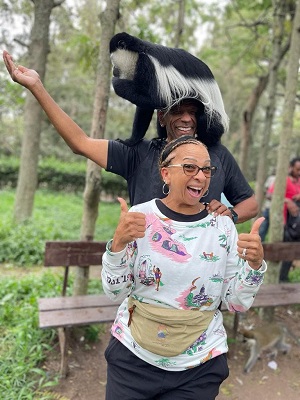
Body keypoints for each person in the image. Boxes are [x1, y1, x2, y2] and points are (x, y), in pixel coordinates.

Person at [2, 50, 258, 223]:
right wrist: (37, 87)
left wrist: (231, 215)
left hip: (198, 286)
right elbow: (79, 143)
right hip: (145, 282)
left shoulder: (218, 155)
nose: (186, 119)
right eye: (177, 111)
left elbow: (251, 203)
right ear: (161, 116)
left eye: (192, 112)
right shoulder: (139, 153)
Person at [101, 136, 266, 400]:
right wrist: (118, 244)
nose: (200, 176)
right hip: (133, 359)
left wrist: (255, 266)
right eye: (189, 167)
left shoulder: (222, 227)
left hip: (198, 368)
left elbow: (237, 304)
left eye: (206, 169)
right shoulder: (140, 216)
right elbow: (115, 292)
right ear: (165, 174)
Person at [268, 158, 300, 282]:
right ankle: (277, 278)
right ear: (291, 167)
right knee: (282, 249)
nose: (299, 172)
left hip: (296, 224)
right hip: (283, 221)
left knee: (291, 251)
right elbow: (270, 195)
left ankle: (284, 277)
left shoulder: (298, 182)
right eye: (297, 169)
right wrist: (287, 201)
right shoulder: (283, 180)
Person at [258, 172, 276, 241]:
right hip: (269, 207)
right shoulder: (272, 178)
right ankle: (260, 242)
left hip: (279, 209)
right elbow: (267, 193)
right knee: (264, 227)